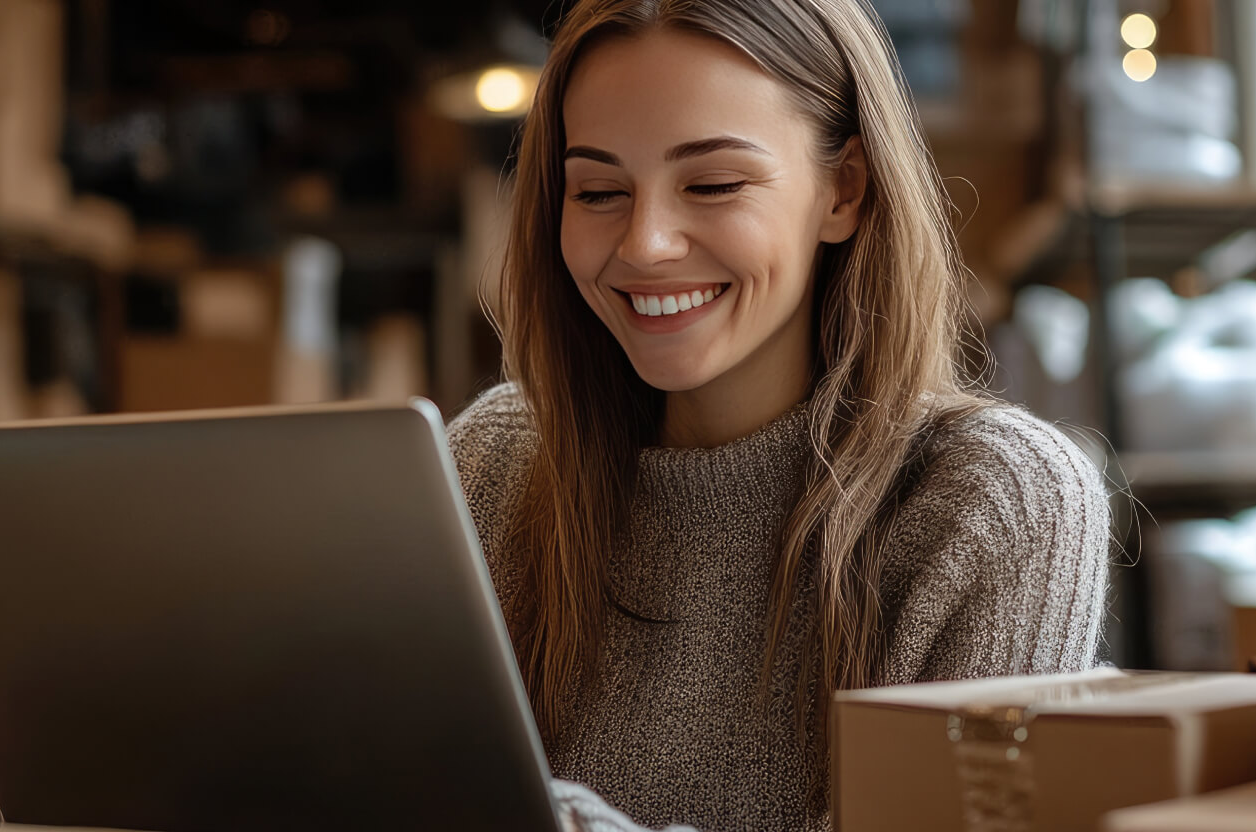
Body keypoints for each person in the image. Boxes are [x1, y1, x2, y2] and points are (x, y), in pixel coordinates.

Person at [447, 1, 1111, 829]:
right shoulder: (494, 461)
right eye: (599, 190)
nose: (645, 242)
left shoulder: (996, 501)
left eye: (714, 184)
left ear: (845, 190)